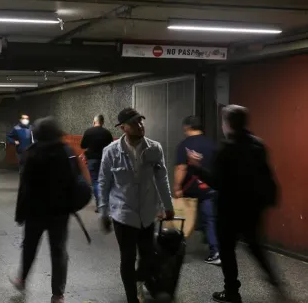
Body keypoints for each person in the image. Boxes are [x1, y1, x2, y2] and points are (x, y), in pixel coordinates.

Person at [186, 105, 284, 303]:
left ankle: (232, 292)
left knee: (228, 252)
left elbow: (216, 182)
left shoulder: (227, 149)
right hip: (252, 208)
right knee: (256, 247)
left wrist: (196, 167)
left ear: (228, 124)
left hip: (229, 210)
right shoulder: (258, 145)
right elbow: (265, 175)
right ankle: (276, 283)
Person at [98, 108, 174, 303]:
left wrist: (168, 205)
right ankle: (132, 297)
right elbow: (103, 183)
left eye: (141, 121)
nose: (140, 126)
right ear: (123, 128)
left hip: (148, 213)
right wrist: (103, 212)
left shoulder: (154, 148)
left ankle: (141, 279)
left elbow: (162, 178)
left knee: (147, 256)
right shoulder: (111, 152)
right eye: (134, 123)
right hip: (123, 214)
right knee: (128, 258)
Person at [10, 117, 77, 303]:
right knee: (59, 251)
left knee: (29, 246)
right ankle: (58, 294)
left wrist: (20, 213)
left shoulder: (31, 153)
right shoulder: (66, 151)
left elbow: (25, 187)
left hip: (35, 211)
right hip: (59, 212)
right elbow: (75, 181)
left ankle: (22, 279)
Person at [174, 115, 220, 265]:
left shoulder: (184, 145)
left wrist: (177, 187)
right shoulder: (212, 144)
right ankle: (215, 252)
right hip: (209, 188)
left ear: (186, 127)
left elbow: (181, 168)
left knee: (182, 219)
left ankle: (176, 251)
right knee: (210, 219)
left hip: (189, 190)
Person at [80, 114, 113, 212]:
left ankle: (100, 205)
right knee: (104, 181)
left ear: (94, 122)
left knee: (95, 182)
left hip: (92, 160)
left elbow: (82, 145)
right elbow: (111, 147)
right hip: (105, 160)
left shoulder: (88, 132)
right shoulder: (107, 133)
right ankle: (106, 203)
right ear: (102, 122)